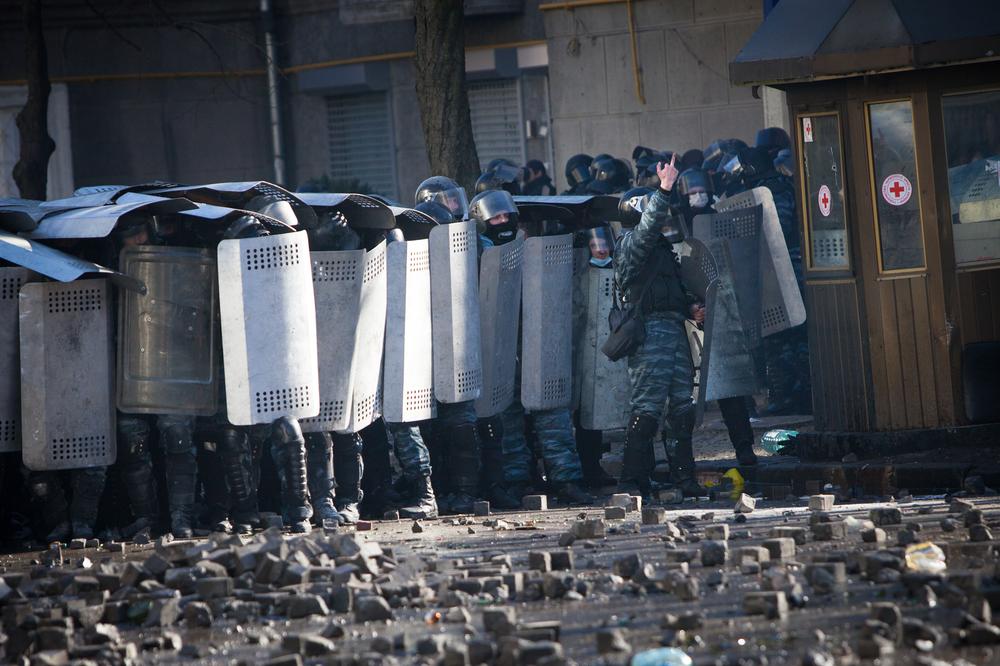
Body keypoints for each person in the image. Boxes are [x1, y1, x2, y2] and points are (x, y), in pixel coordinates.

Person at [472, 190, 594, 506]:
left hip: (538, 343)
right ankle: (518, 481)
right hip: (500, 349)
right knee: (508, 420)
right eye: (495, 218)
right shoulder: (479, 256)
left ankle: (566, 479)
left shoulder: (532, 251)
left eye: (506, 216)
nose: (502, 222)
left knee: (552, 415)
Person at [613, 155, 704, 497]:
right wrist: (664, 188)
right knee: (647, 410)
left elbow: (672, 288)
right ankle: (630, 481)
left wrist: (690, 307)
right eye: (651, 207)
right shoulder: (630, 245)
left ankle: (685, 480)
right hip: (649, 334)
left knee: (682, 409)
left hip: (674, 330)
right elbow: (647, 229)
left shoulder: (661, 249)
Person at [673, 167, 758, 467]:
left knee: (729, 386)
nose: (697, 197)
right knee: (682, 394)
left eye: (701, 191)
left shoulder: (721, 223)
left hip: (721, 312)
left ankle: (744, 447)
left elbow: (736, 264)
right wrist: (689, 306)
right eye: (692, 192)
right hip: (686, 319)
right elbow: (673, 271)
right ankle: (682, 461)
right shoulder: (675, 225)